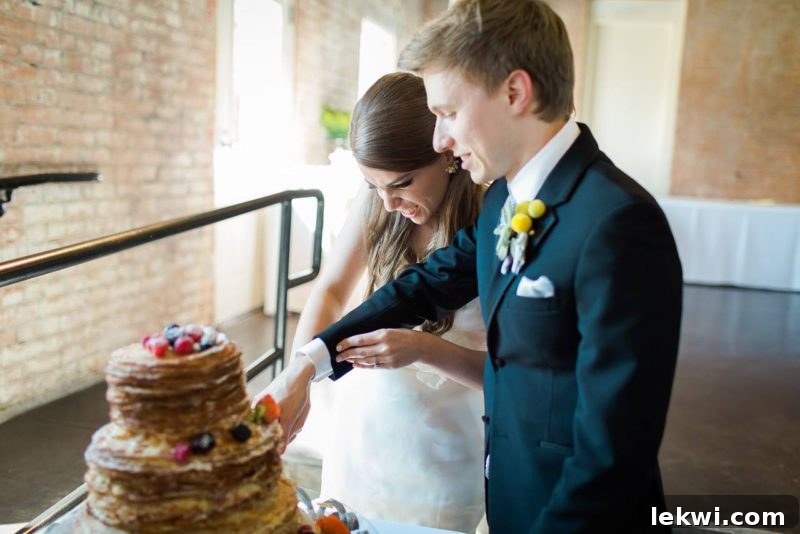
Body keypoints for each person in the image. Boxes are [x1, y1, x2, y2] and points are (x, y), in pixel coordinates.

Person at [272, 0, 682, 531]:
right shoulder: (502, 203)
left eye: (447, 113)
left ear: (514, 93)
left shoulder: (620, 223)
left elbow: (613, 448)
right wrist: (307, 365)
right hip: (506, 496)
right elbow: (418, 289)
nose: (440, 140)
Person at [260, 72, 487, 532]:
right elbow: (330, 290)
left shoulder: (491, 221)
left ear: (446, 153)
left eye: (401, 183)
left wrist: (425, 348)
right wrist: (300, 379)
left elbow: (512, 374)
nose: (387, 203)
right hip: (361, 434)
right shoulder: (381, 204)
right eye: (373, 186)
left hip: (444, 454)